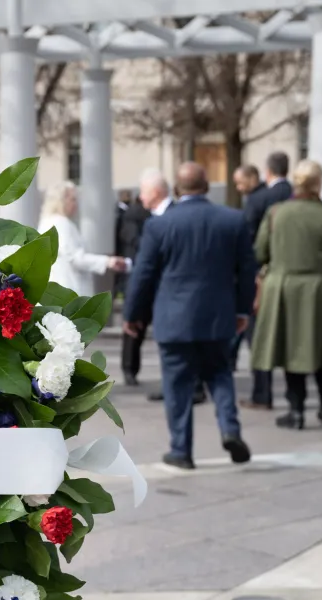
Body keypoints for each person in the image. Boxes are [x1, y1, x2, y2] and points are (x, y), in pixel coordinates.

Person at [124, 162, 254, 469]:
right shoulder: (232, 220)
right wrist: (242, 310)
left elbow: (143, 274)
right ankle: (230, 429)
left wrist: (132, 314)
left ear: (178, 190)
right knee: (220, 375)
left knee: (177, 384)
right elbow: (247, 271)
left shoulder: (160, 225)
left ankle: (181, 450)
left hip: (174, 318)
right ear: (207, 187)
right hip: (218, 315)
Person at [252, 160, 322, 429]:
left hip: (284, 288)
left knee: (292, 350)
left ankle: (296, 410)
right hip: (321, 289)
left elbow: (261, 252)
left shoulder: (276, 213)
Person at [242, 151, 293, 411]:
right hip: (293, 275)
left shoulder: (259, 199)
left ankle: (262, 393)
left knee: (259, 337)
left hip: (263, 277)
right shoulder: (297, 196)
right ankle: (296, 399)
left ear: (268, 171)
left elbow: (248, 241)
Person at [38, 181, 127, 299]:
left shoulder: (46, 222)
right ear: (61, 201)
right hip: (69, 288)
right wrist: (107, 261)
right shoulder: (61, 223)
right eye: (73, 199)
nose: (76, 204)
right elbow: (75, 258)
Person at [117, 175, 158, 386]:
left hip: (149, 273)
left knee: (138, 325)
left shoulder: (149, 213)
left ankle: (132, 368)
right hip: (137, 273)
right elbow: (131, 238)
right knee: (134, 325)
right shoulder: (134, 214)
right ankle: (129, 368)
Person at [229, 164, 265, 371]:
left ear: (252, 178)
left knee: (245, 321)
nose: (238, 187)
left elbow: (248, 236)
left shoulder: (255, 201)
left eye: (240, 182)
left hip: (253, 269)